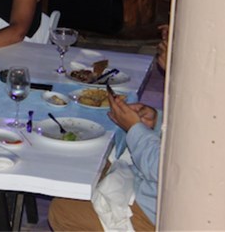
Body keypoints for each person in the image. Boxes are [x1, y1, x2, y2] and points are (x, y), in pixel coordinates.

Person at [48, 25, 170, 231]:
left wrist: (135, 128)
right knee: (87, 159)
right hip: (150, 185)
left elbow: (166, 170)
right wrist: (156, 120)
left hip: (160, 210)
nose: (165, 37)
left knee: (62, 211)